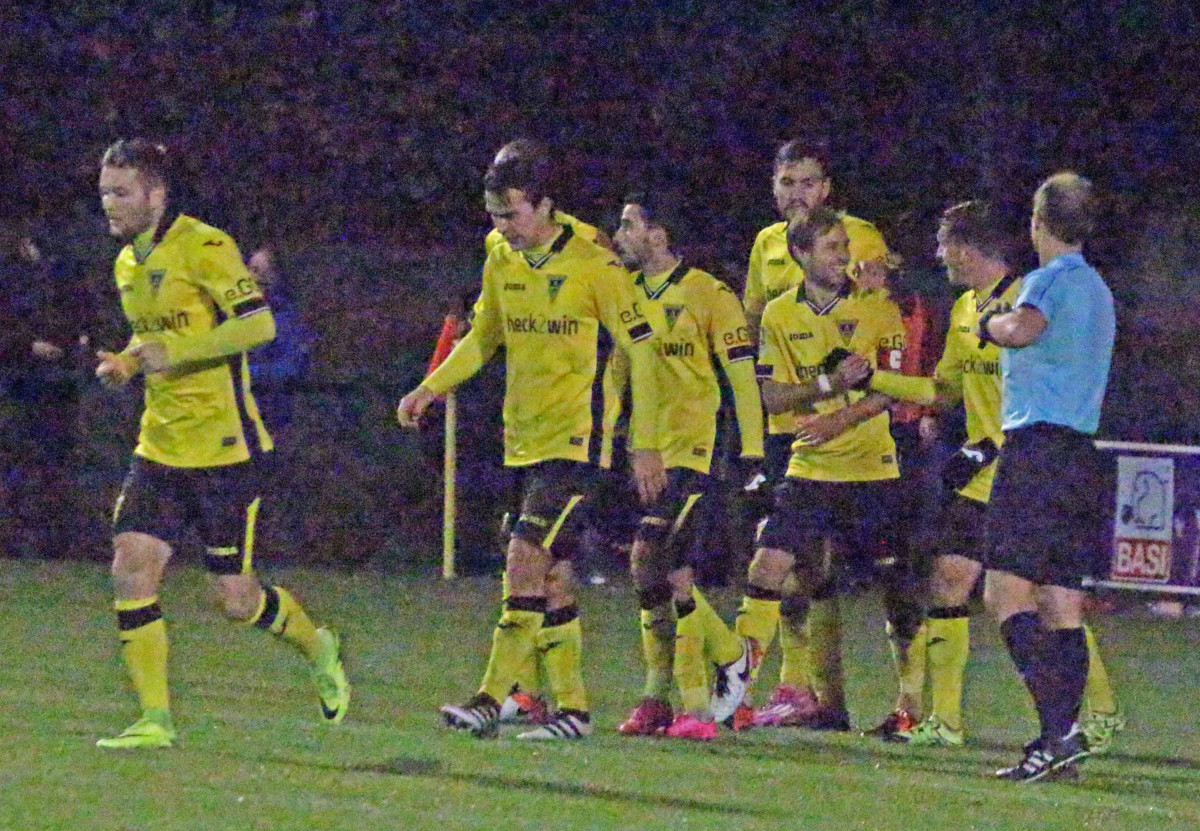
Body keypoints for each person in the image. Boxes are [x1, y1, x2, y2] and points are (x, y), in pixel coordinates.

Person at [397, 151, 666, 741]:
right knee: (551, 577)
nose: (502, 226)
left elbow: (642, 348)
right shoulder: (501, 254)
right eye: (494, 215)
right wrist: (431, 386)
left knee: (524, 557)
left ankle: (490, 698)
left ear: (545, 205)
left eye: (512, 214)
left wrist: (644, 443)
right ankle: (573, 711)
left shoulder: (595, 263)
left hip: (578, 443)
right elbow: (484, 336)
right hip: (521, 440)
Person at [93, 139, 349, 749]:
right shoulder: (127, 263)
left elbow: (258, 324)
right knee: (131, 567)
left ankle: (317, 644)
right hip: (159, 446)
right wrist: (129, 362)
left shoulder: (205, 246)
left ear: (156, 194)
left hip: (225, 449)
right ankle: (155, 719)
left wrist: (175, 353)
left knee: (236, 599)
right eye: (104, 192)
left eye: (121, 192)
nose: (109, 204)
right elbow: (152, 340)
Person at [866, 200, 1123, 752]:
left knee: (1045, 595)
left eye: (944, 245)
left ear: (965, 248)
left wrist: (992, 447)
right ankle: (948, 721)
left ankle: (1094, 714)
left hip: (1025, 465)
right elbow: (944, 388)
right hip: (989, 471)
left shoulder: (1031, 296)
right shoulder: (965, 309)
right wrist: (877, 382)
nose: (939, 255)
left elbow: (1044, 378)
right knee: (952, 578)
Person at [740, 139, 916, 732]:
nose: (797, 193)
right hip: (790, 433)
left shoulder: (860, 238)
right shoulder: (767, 244)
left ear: (828, 188)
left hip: (863, 437)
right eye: (787, 182)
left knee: (887, 571)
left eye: (808, 182)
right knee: (797, 566)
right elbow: (753, 324)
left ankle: (912, 701)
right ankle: (804, 690)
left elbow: (891, 315)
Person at [610, 192, 763, 740]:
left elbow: (742, 378)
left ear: (659, 234)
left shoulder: (708, 294)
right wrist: (610, 434)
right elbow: (618, 372)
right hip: (643, 450)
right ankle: (699, 672)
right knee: (647, 569)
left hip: (696, 450)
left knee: (664, 562)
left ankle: (695, 707)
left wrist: (753, 453)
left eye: (628, 225)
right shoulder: (624, 292)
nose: (619, 236)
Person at [980, 172, 1116, 782]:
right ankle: (1059, 742)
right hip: (1080, 452)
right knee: (1062, 602)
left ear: (1038, 223)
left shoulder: (1048, 280)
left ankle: (1059, 732)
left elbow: (1023, 329)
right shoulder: (1098, 288)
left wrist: (990, 323)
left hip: (1037, 450)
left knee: (1004, 592)